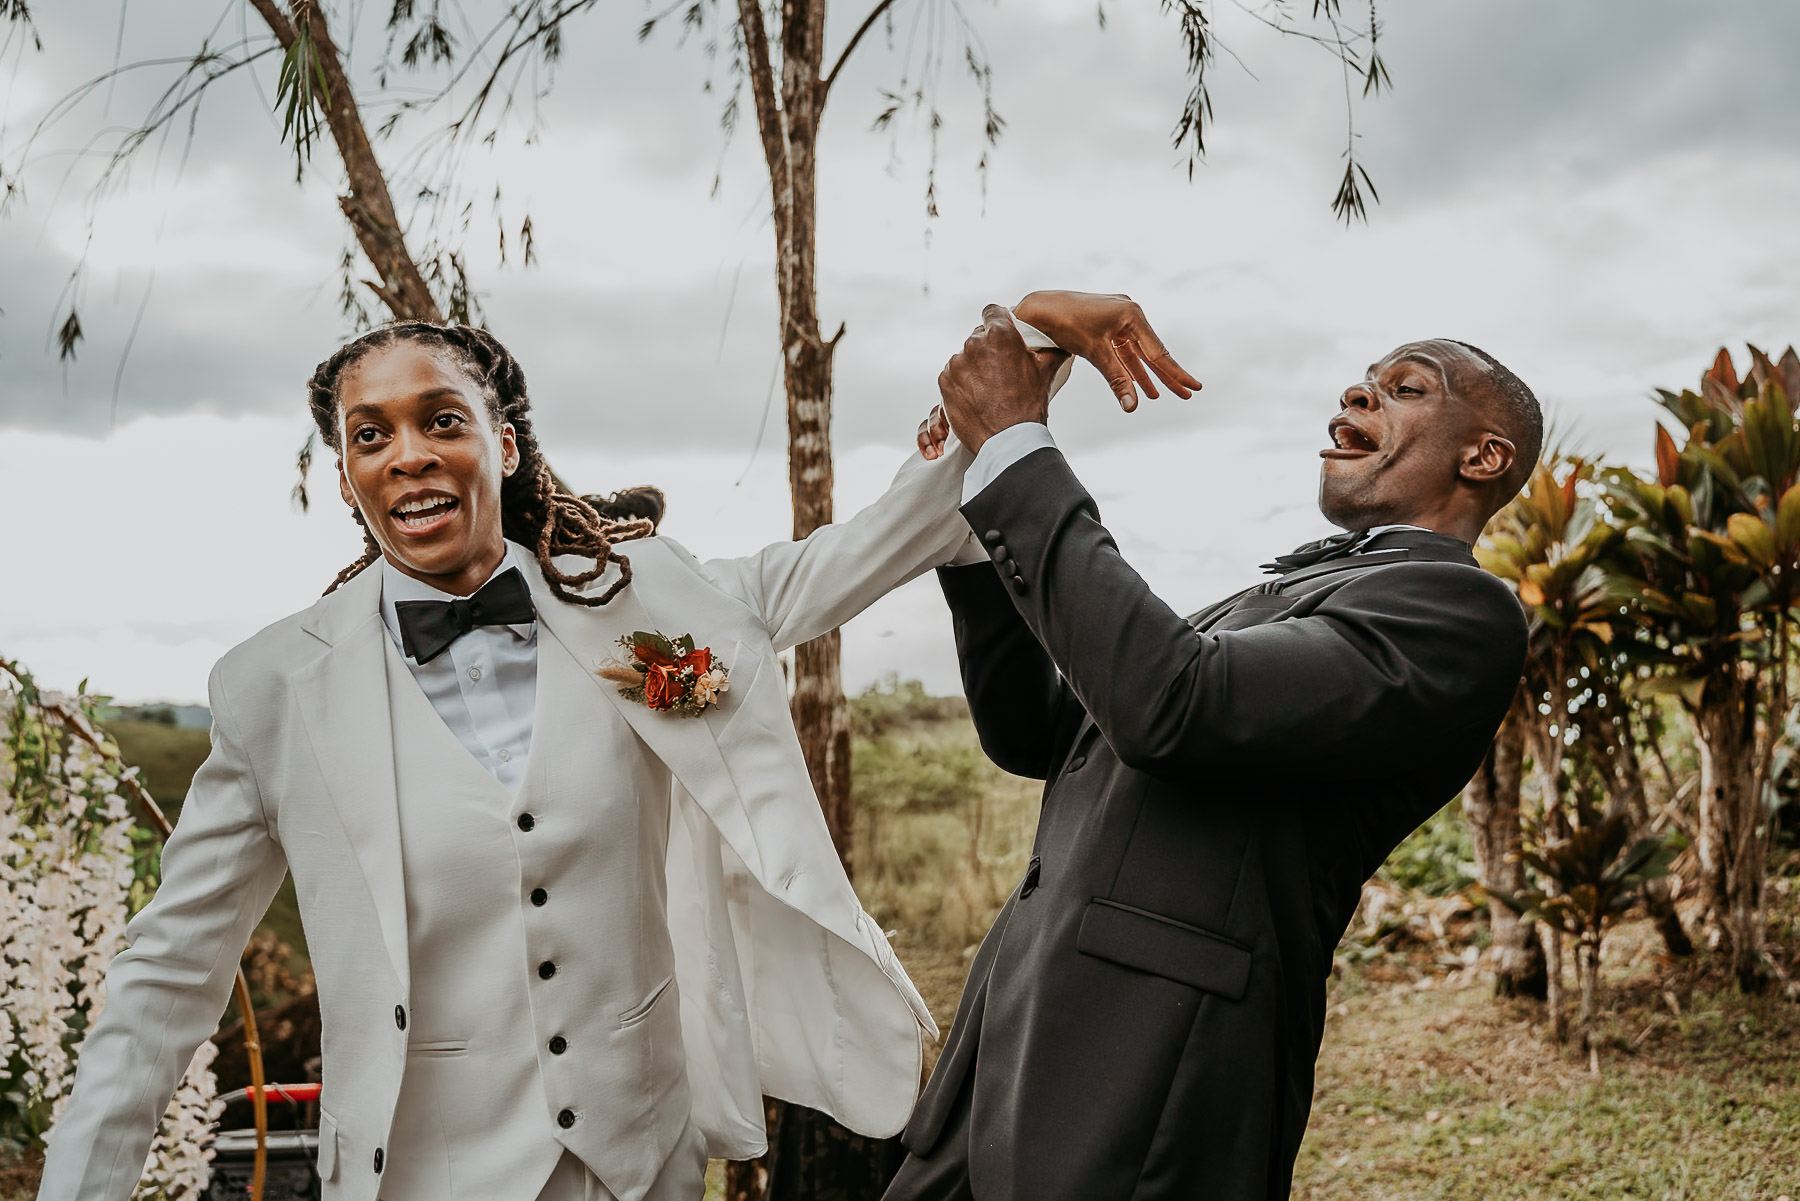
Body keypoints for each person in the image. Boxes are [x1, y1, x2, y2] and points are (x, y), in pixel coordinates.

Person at [38, 305, 1187, 1201]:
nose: (407, 455)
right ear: (343, 474)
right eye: (368, 434)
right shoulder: (271, 687)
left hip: (638, 1160)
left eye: (442, 417)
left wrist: (1032, 338)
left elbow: (890, 537)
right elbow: (165, 974)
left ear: (504, 438)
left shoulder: (650, 605)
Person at [886, 294, 1536, 1201]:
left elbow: (1170, 702)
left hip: (1140, 1083)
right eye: (1363, 380)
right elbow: (1041, 729)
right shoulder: (1279, 595)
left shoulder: (1456, 612)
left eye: (1405, 388)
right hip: (1004, 1054)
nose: (1358, 392)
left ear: (1483, 455)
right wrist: (973, 528)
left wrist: (1020, 451)